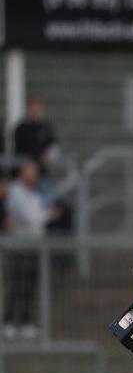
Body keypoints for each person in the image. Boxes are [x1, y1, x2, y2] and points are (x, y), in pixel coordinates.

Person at [3, 160, 59, 340]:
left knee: (29, 286)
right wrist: (48, 214)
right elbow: (31, 218)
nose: (34, 175)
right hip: (20, 247)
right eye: (31, 171)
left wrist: (44, 215)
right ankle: (9, 321)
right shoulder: (16, 192)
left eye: (35, 171)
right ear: (22, 172)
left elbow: (36, 216)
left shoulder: (34, 193)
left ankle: (26, 321)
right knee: (17, 285)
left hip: (34, 247)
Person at [14, 98, 57, 177]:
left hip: (42, 172)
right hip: (23, 173)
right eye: (33, 107)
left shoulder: (46, 127)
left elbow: (53, 146)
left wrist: (49, 154)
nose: (35, 110)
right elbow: (21, 150)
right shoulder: (21, 128)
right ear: (28, 108)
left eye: (37, 108)